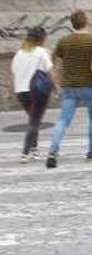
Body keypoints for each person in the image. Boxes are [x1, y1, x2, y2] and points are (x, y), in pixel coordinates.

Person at [47, 10, 92, 168]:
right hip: (89, 86)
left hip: (69, 87)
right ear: (85, 22)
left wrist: (57, 86)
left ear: (72, 24)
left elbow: (58, 66)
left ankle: (53, 151)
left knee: (63, 120)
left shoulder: (63, 41)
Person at [10, 27, 54, 163]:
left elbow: (14, 72)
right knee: (34, 122)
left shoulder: (19, 53)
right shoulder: (41, 52)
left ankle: (34, 150)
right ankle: (25, 152)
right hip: (37, 91)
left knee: (34, 119)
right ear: (42, 39)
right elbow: (48, 70)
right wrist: (56, 86)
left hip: (21, 92)